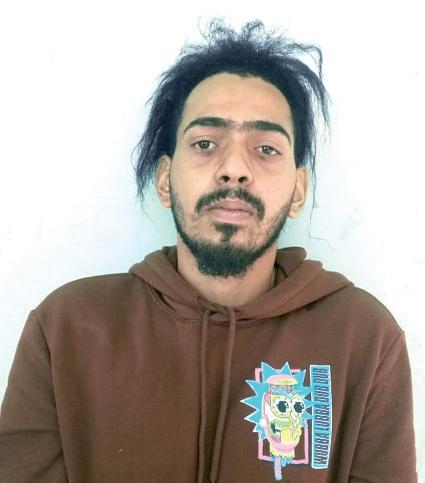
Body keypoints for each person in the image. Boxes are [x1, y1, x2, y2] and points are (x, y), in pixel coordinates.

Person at [0, 19, 417, 483]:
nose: (234, 168)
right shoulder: (65, 328)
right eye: (204, 143)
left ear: (298, 190)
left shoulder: (366, 338)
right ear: (165, 179)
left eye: (266, 148)